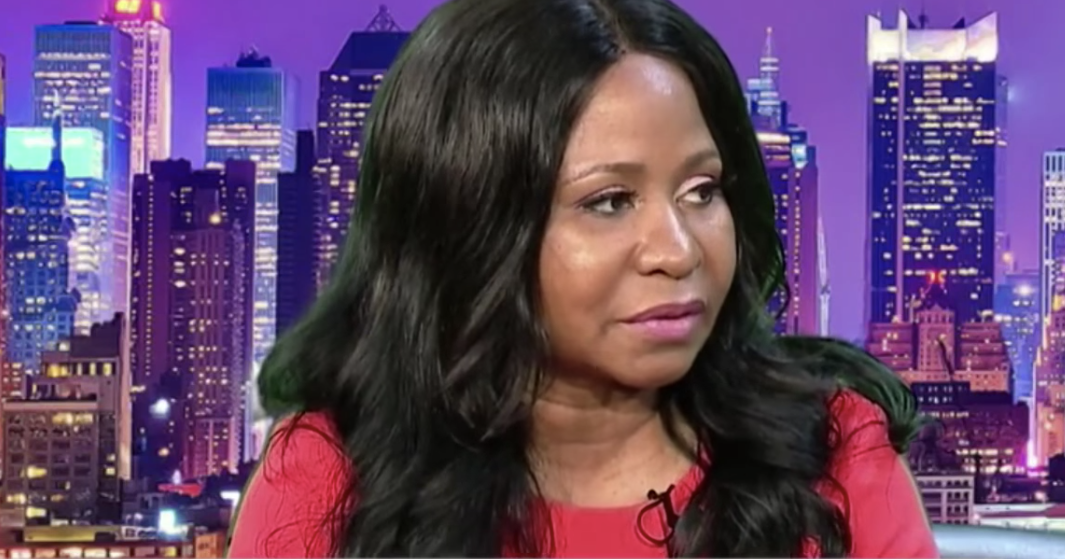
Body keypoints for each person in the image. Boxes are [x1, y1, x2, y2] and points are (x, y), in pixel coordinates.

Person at [227, 0, 939, 556]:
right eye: (609, 201)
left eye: (701, 190)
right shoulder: (329, 480)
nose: (677, 251)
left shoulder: (835, 455)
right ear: (471, 224)